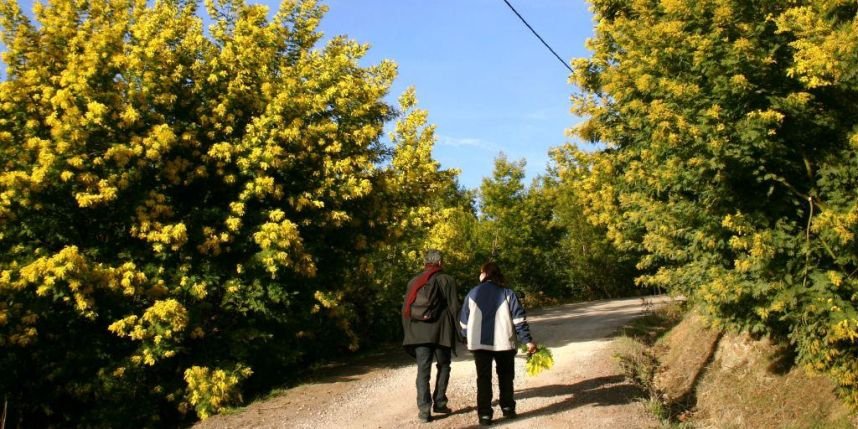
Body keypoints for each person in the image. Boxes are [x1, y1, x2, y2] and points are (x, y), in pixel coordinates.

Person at [459, 261, 537, 426]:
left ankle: (485, 415)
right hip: (504, 343)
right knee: (506, 376)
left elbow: (463, 322)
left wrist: (466, 337)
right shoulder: (508, 293)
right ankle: (508, 408)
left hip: (479, 345)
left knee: (483, 378)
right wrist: (527, 341)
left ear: (484, 274)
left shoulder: (472, 293)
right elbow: (519, 320)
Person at [402, 249, 461, 423]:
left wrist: (409, 334)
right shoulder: (447, 280)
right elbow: (454, 308)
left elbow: (405, 310)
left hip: (419, 333)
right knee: (444, 365)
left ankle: (424, 411)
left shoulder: (414, 282)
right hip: (441, 331)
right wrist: (461, 332)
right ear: (440, 263)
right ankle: (440, 402)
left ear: (425, 262)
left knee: (423, 370)